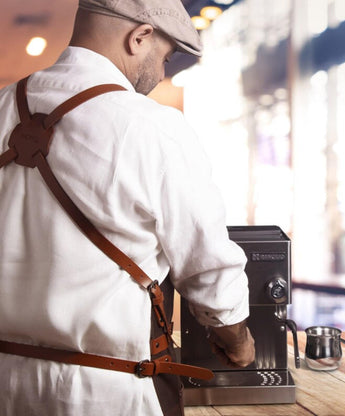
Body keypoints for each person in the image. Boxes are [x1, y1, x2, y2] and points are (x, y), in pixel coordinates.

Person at [0, 0, 255, 415]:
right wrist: (239, 343)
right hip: (104, 395)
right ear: (139, 37)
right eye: (165, 59)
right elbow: (209, 272)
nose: (160, 76)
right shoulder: (152, 127)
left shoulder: (2, 106)